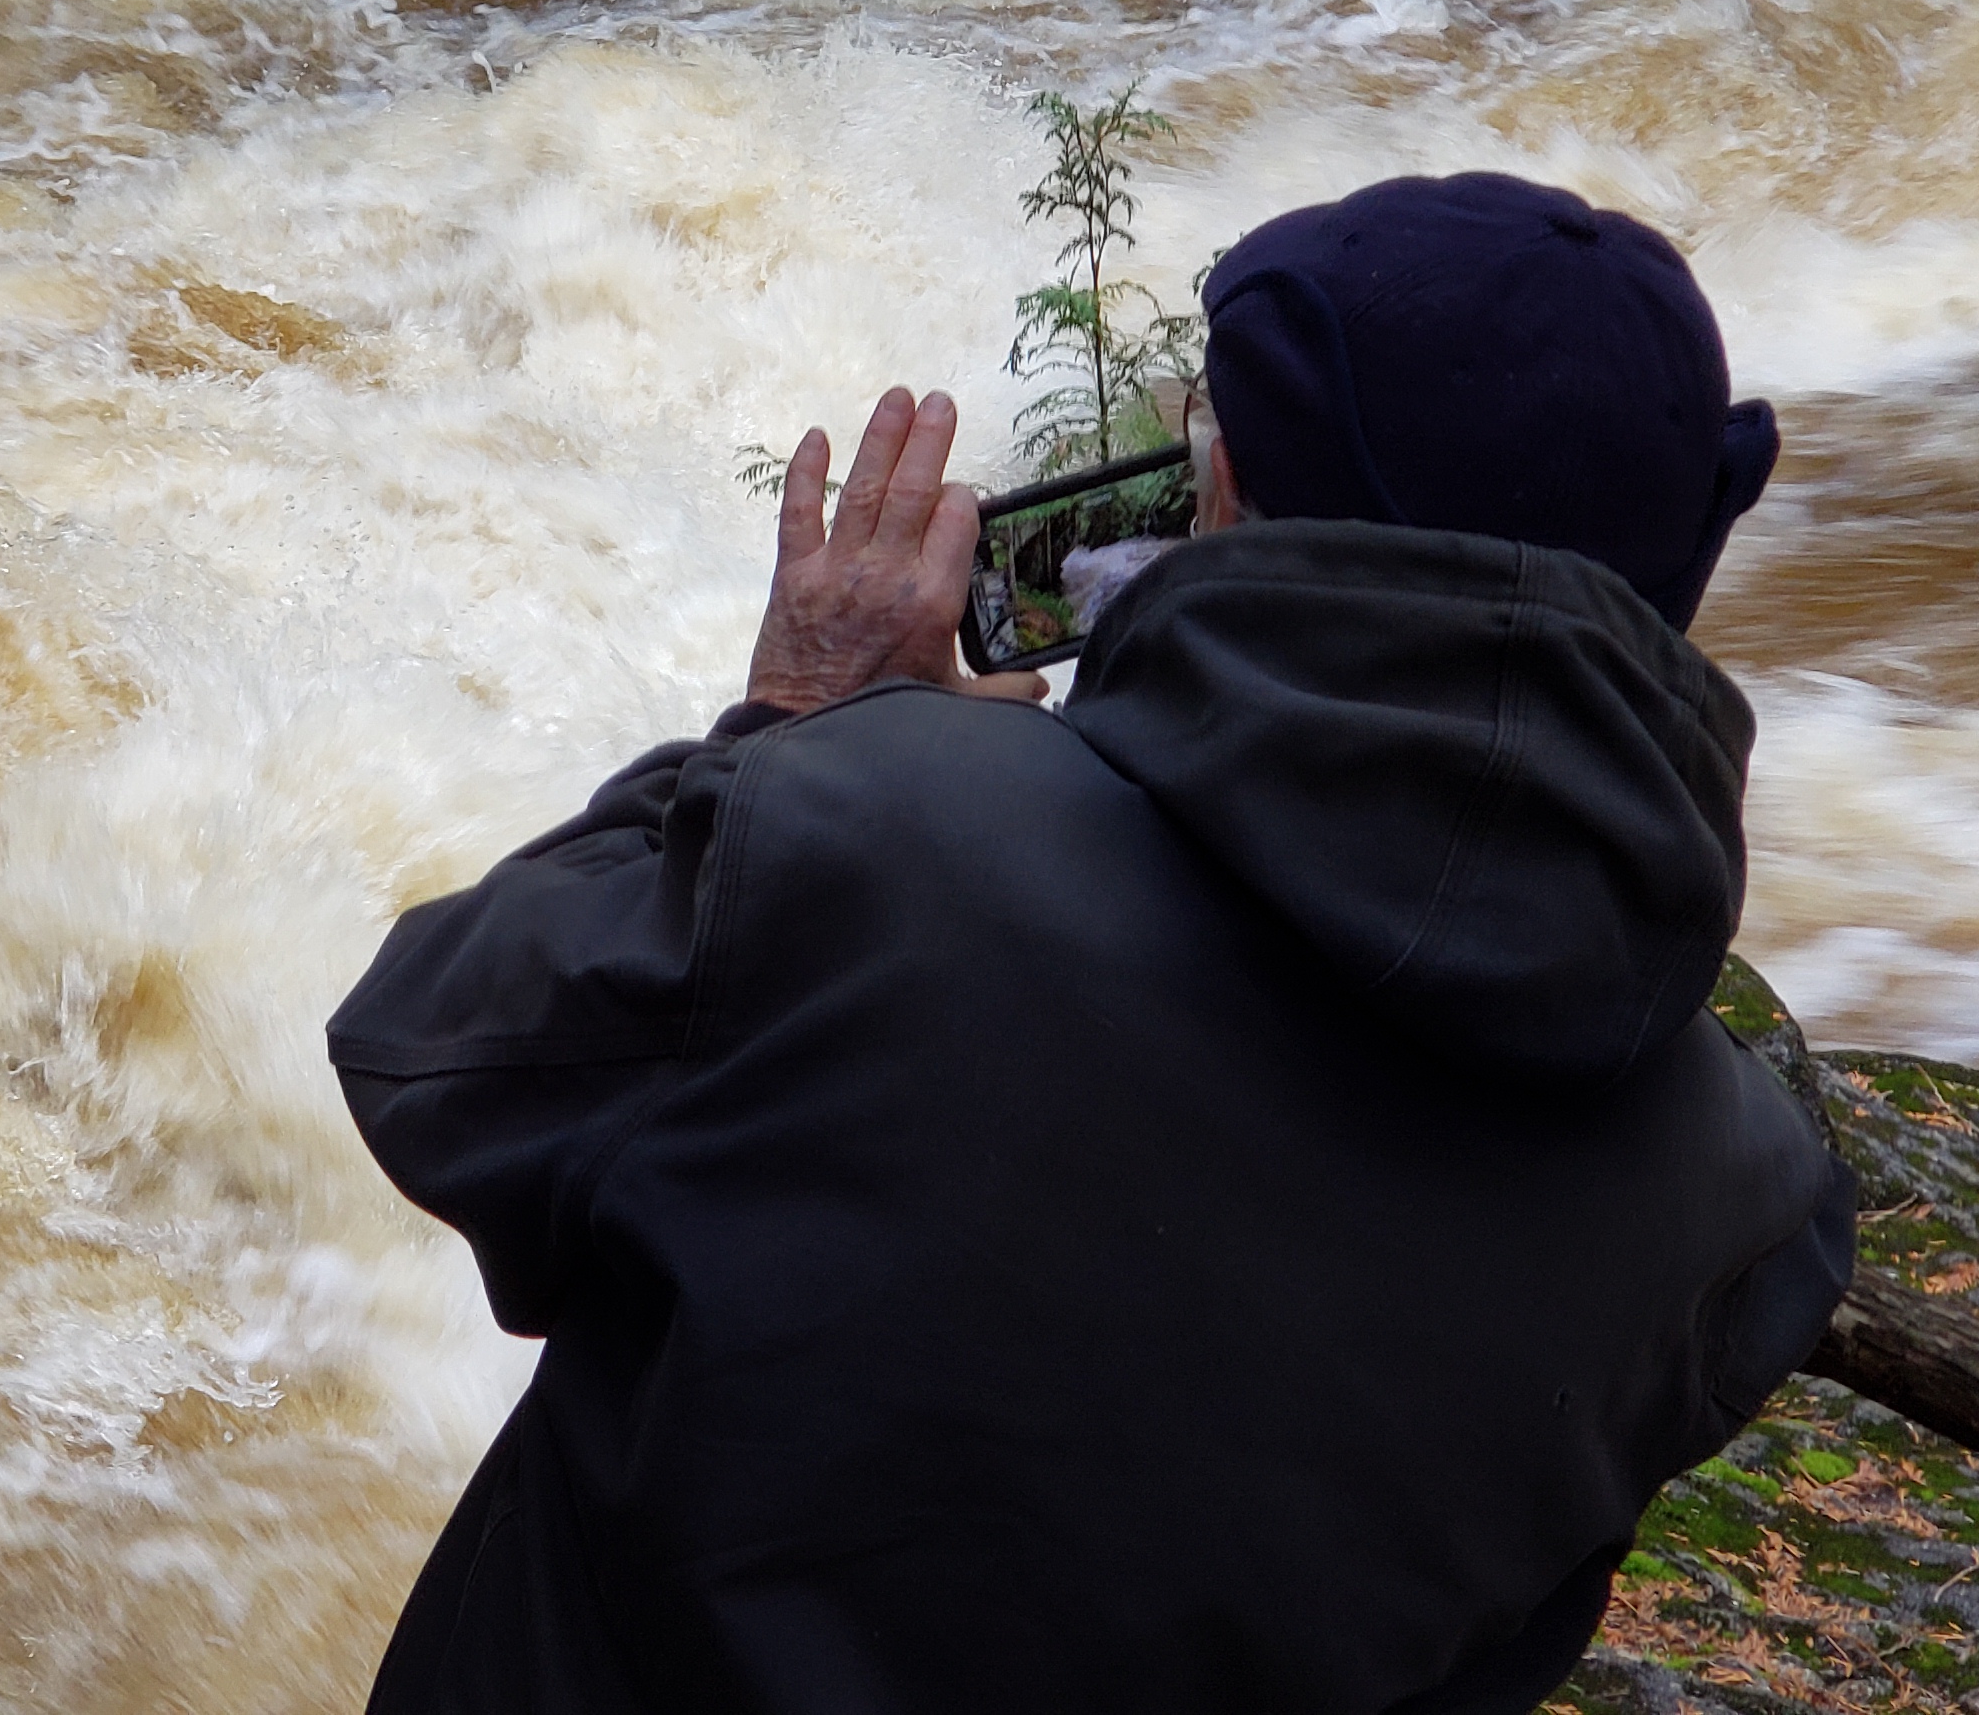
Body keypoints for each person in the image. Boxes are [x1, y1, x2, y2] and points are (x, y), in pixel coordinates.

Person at [327, 171, 1855, 1715]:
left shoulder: (878, 839)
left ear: (1238, 498)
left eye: (1205, 447)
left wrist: (792, 725)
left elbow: (426, 1054)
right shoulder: (1748, 1200)